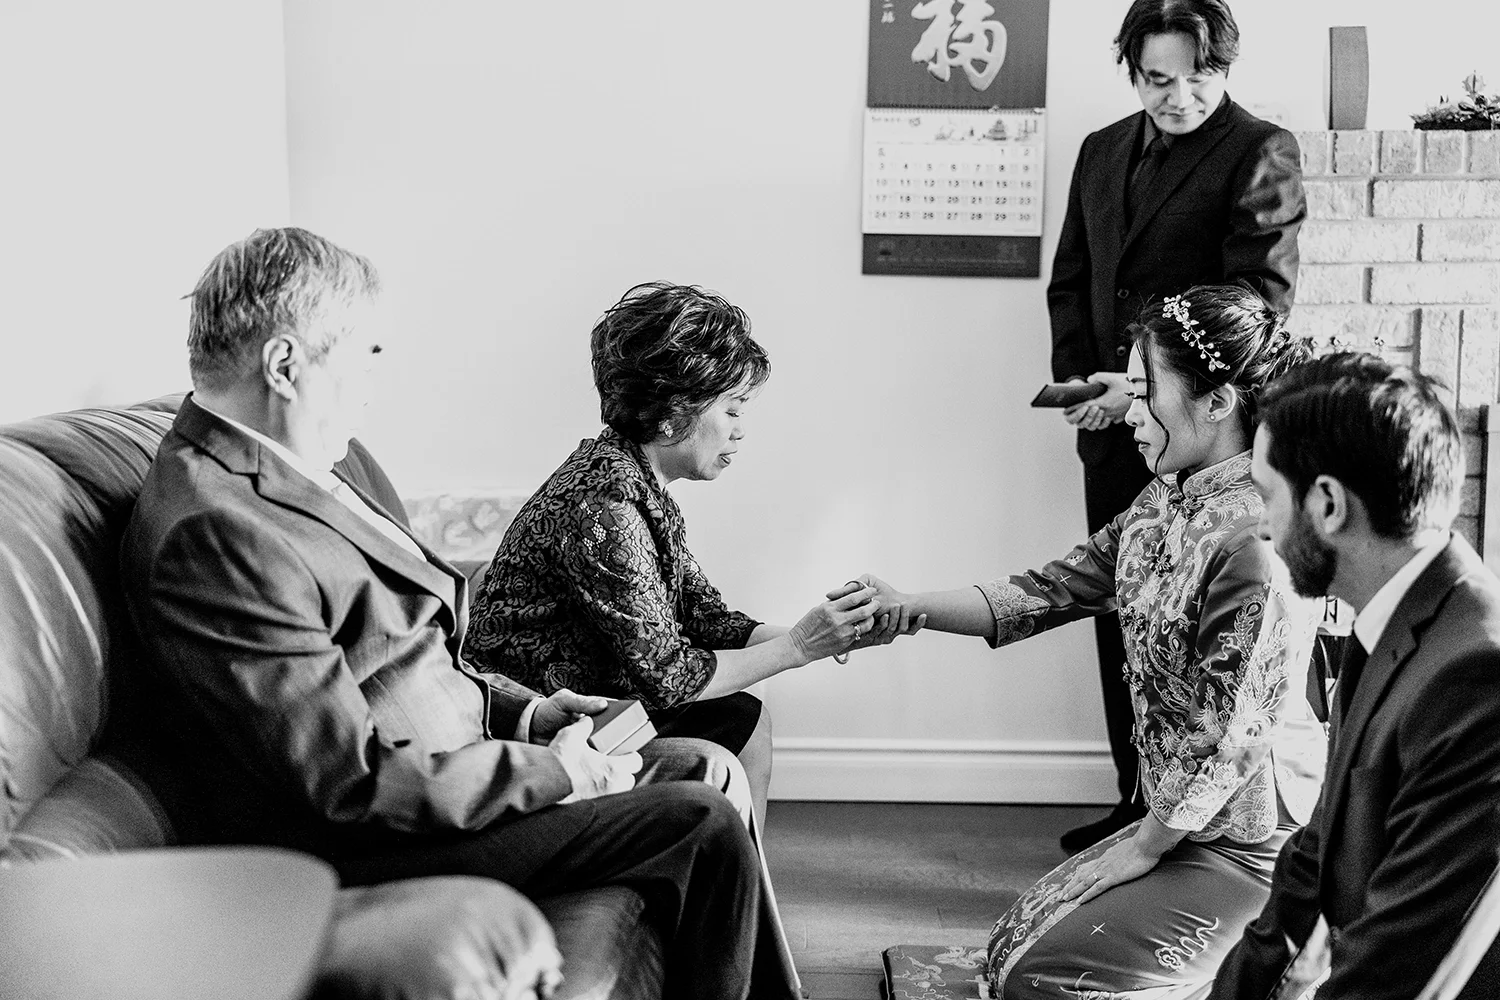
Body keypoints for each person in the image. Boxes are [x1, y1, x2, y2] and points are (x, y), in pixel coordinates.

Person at [119, 228, 800, 1000]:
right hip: (379, 837)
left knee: (699, 765)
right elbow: (349, 785)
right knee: (699, 824)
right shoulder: (214, 531)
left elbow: (416, 654)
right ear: (284, 366)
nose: (374, 383)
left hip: (462, 760)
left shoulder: (319, 462)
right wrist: (554, 770)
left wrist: (533, 716)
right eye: (365, 355)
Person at [859, 286, 1325, 999]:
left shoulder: (1254, 544)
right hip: (1181, 828)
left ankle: (1280, 966)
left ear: (1219, 401)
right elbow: (1049, 590)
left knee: (1043, 980)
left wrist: (1144, 846)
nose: (1130, 415)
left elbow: (1225, 734)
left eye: (1146, 393)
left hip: (1249, 846)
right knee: (1010, 952)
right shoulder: (1165, 500)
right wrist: (908, 606)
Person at [464, 281, 915, 826]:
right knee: (740, 717)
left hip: (601, 698)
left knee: (743, 715)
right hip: (540, 721)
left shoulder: (634, 482)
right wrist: (800, 644)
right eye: (732, 408)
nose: (741, 430)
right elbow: (668, 675)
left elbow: (704, 617)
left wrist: (836, 632)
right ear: (673, 414)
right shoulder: (604, 504)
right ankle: (736, 886)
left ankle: (740, 885)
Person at [1048, 0, 1306, 851]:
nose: (1180, 96)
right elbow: (1070, 282)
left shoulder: (1261, 150)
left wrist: (1143, 388)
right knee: (1116, 606)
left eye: (1200, 76)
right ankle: (1135, 800)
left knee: (1196, 627)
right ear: (1133, 70)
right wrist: (1087, 388)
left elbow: (1258, 305)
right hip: (1111, 424)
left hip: (1201, 435)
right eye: (1159, 78)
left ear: (1224, 69)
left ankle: (1185, 823)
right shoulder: (1100, 149)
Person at [1209, 353, 1500, 1000]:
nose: (1260, 523)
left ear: (1329, 503)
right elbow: (1312, 863)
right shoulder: (1400, 613)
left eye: (1265, 494)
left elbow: (1402, 967)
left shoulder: (1477, 677)